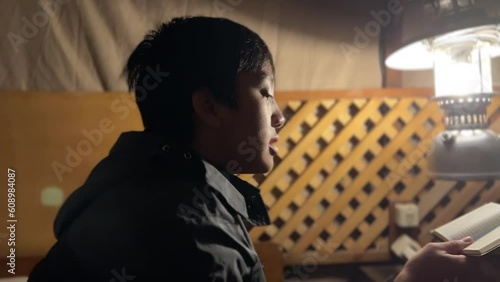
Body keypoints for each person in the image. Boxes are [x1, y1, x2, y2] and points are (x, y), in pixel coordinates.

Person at [27, 16, 497, 282]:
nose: (280, 114)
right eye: (265, 91)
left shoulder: (135, 184)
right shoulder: (192, 237)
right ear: (209, 106)